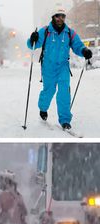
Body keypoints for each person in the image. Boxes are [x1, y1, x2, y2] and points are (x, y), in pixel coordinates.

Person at [27, 2, 92, 130]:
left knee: (64, 93)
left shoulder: (69, 33)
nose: (60, 18)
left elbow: (78, 46)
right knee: (48, 91)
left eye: (63, 16)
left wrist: (84, 50)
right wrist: (32, 39)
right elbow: (33, 45)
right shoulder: (45, 31)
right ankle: (43, 108)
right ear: (53, 16)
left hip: (63, 67)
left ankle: (65, 120)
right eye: (58, 15)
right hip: (48, 67)